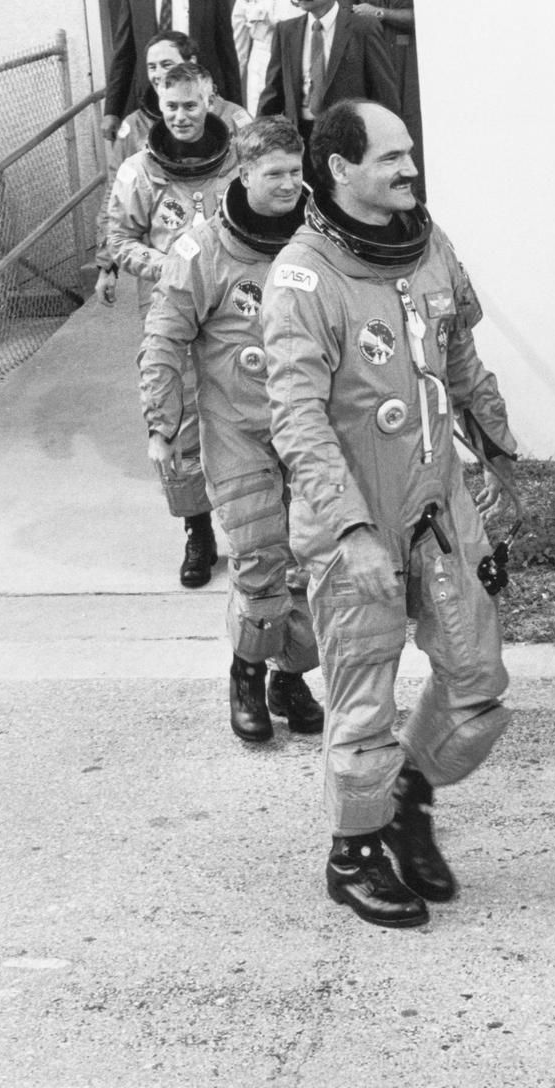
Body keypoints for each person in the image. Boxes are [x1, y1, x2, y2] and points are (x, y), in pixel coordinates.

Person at [260, 98, 517, 929]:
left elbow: (460, 355)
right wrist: (349, 528)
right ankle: (354, 853)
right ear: (340, 169)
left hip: (438, 508)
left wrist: (500, 459)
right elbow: (295, 416)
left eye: (409, 152)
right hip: (357, 523)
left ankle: (406, 797)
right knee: (364, 702)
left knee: (477, 690)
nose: (411, 168)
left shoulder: (428, 245)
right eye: (391, 157)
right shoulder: (303, 279)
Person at [137, 116, 326, 743]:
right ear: (243, 173)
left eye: (296, 171)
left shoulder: (320, 239)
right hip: (238, 431)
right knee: (260, 555)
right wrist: (163, 424)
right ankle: (246, 673)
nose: (289, 184)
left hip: (311, 428)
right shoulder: (202, 250)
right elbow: (163, 338)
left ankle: (289, 677)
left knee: (312, 558)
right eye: (275, 174)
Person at [105, 62, 239, 589]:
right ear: (158, 106)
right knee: (177, 416)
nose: (181, 116)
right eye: (171, 106)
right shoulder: (139, 171)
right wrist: (172, 269)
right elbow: (120, 239)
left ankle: (258, 525)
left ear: (209, 101)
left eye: (191, 105)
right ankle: (197, 531)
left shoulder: (239, 162)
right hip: (171, 304)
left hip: (234, 306)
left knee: (247, 406)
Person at [95, 31, 251, 306]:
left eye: (166, 64)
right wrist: (107, 264)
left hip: (228, 276)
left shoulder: (237, 122)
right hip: (165, 276)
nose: (158, 74)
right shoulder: (134, 131)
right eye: (152, 67)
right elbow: (116, 204)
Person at [257, 0, 399, 189]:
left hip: (350, 141)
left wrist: (388, 147)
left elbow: (384, 93)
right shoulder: (286, 31)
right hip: (300, 141)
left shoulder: (363, 28)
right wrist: (259, 139)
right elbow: (273, 93)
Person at [102, 0, 242, 141]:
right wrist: (112, 111)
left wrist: (236, 107)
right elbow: (123, 57)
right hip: (150, 106)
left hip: (200, 106)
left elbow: (227, 54)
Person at [338, 0, 425, 199]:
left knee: (414, 130)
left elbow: (428, 15)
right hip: (369, 62)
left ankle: (416, 200)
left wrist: (379, 13)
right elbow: (344, 18)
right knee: (373, 130)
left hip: (411, 61)